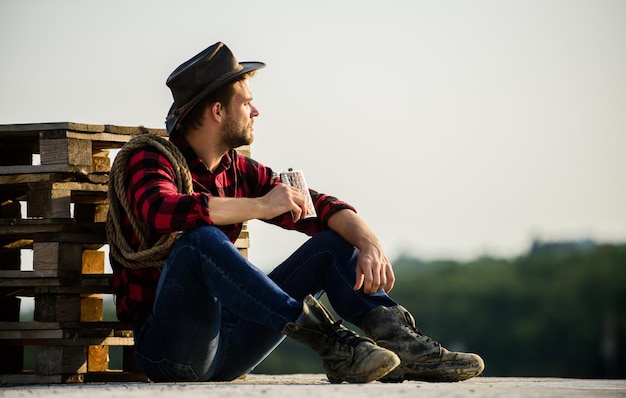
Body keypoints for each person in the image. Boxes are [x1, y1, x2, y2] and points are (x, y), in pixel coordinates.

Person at [106, 41, 485, 384]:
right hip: (172, 353)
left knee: (329, 246)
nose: (256, 110)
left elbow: (319, 207)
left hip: (231, 345)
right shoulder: (151, 158)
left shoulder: (237, 170)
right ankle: (330, 340)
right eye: (246, 102)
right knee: (199, 241)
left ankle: (402, 343)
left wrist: (369, 244)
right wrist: (260, 206)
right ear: (218, 111)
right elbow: (160, 210)